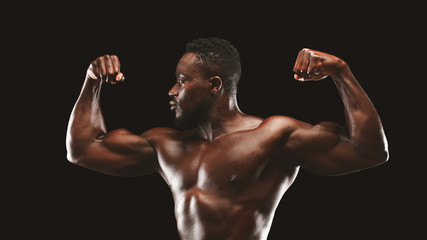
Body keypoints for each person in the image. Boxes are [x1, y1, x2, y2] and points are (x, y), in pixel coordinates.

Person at [66, 37, 389, 240]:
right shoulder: (165, 145)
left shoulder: (273, 135)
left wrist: (341, 72)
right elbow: (82, 150)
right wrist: (92, 80)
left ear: (214, 85)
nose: (172, 90)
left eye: (181, 81)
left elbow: (368, 151)